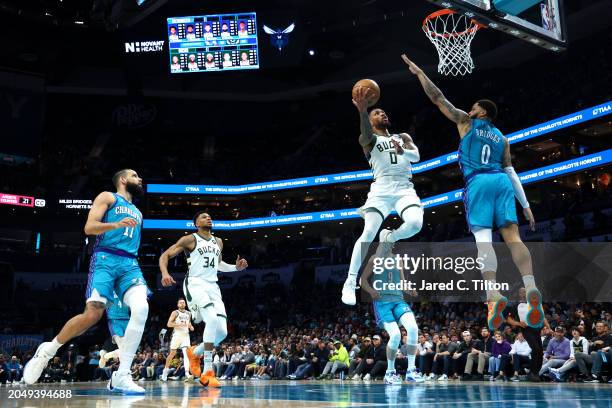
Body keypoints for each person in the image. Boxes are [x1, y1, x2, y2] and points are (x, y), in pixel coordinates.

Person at [401, 54, 542, 332]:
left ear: (482, 113)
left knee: (483, 242)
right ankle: (531, 285)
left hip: (478, 182)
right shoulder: (503, 138)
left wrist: (420, 73)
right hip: (501, 181)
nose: (470, 108)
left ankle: (493, 294)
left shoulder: (466, 121)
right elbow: (512, 172)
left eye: (474, 106)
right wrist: (525, 205)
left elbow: (438, 97)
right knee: (513, 237)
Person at [24, 169, 148, 394]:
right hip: (105, 259)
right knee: (92, 315)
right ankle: (47, 352)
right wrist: (116, 225)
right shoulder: (108, 197)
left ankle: (122, 375)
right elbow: (89, 227)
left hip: (130, 264)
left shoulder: (138, 212)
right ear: (122, 179)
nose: (139, 179)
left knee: (141, 309)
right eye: (135, 175)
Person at [341, 86, 423, 306]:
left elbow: (416, 156)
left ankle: (390, 237)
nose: (382, 114)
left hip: (405, 187)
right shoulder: (368, 139)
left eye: (384, 112)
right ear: (369, 119)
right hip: (382, 189)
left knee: (416, 224)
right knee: (368, 233)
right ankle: (350, 282)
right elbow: (365, 133)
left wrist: (402, 150)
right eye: (377, 113)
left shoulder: (402, 136)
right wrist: (361, 111)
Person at [159, 211, 248, 388]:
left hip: (212, 286)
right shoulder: (189, 239)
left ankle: (196, 352)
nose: (208, 218)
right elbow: (165, 256)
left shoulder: (219, 241)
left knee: (222, 332)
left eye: (209, 216)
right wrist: (165, 273)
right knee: (211, 320)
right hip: (195, 283)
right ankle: (207, 371)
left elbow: (219, 264)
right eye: (203, 217)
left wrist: (236, 268)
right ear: (196, 224)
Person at [360, 253, 423, 384]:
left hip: (398, 300)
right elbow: (362, 280)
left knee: (412, 327)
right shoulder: (374, 258)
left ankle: (411, 370)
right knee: (395, 335)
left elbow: (402, 282)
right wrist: (371, 291)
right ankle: (390, 372)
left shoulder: (398, 259)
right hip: (382, 303)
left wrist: (410, 290)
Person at [504, 287, 547, 382]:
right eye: (522, 292)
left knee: (540, 351)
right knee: (535, 348)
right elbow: (508, 319)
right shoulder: (516, 306)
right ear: (519, 294)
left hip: (537, 330)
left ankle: (535, 373)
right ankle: (532, 372)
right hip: (526, 330)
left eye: (526, 291)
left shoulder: (535, 304)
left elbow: (542, 316)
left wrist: (548, 327)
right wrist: (519, 323)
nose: (524, 293)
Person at [160, 299, 194, 382]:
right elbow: (169, 324)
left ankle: (187, 374)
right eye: (180, 303)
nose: (182, 304)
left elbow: (190, 325)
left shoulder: (189, 313)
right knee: (172, 354)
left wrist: (191, 327)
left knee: (186, 354)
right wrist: (179, 324)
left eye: (183, 302)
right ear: (178, 305)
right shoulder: (175, 313)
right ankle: (165, 372)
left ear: (185, 304)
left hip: (186, 335)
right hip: (177, 335)